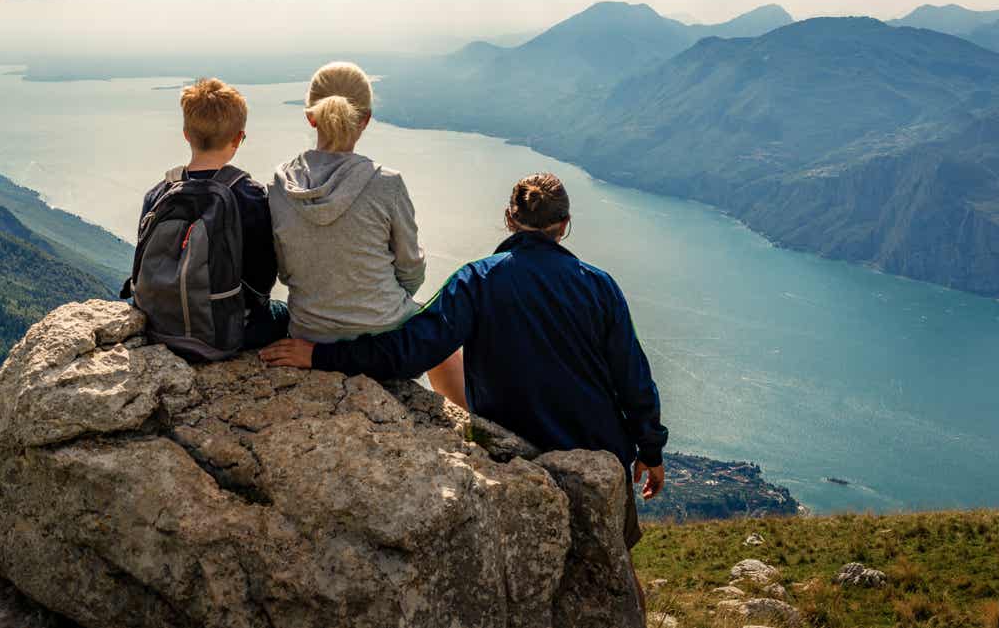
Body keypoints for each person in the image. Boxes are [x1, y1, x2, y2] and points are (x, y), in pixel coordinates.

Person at [261, 171, 667, 609]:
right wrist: (650, 449)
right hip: (599, 451)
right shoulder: (599, 285)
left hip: (517, 452)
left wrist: (320, 356)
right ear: (564, 225)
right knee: (617, 573)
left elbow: (410, 350)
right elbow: (633, 379)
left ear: (509, 219)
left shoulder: (478, 281)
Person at [267, 61, 465, 405]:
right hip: (382, 336)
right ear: (366, 119)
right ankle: (474, 431)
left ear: (310, 117)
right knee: (441, 335)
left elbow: (285, 271)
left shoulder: (281, 184)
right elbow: (411, 270)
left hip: (308, 334)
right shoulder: (386, 184)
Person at [137, 77, 287, 350]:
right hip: (227, 332)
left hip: (160, 328)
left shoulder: (159, 193)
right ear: (238, 138)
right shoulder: (251, 196)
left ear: (186, 134)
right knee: (286, 314)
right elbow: (263, 279)